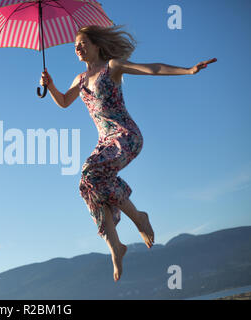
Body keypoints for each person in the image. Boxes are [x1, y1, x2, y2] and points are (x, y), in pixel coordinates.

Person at [40, 25, 216, 282]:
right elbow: (65, 102)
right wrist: (51, 85)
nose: (77, 48)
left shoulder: (112, 67)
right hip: (105, 143)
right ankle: (116, 247)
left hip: (126, 137)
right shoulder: (79, 80)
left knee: (90, 171)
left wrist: (188, 70)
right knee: (88, 185)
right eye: (75, 45)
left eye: (82, 43)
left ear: (96, 45)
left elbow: (152, 68)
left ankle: (138, 217)